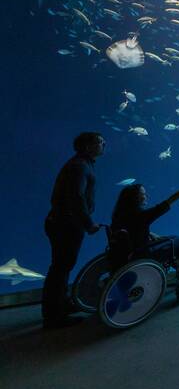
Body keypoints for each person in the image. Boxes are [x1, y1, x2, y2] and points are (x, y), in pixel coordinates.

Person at [42, 132, 105, 329]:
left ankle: (61, 304)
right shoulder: (79, 166)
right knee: (60, 268)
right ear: (87, 147)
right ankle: (54, 316)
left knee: (63, 266)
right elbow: (76, 198)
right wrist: (88, 223)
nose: (104, 144)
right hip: (66, 224)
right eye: (100, 142)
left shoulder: (82, 164)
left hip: (64, 222)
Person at [110, 174, 179, 283]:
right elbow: (171, 200)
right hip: (144, 255)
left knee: (173, 238)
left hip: (130, 255)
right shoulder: (141, 215)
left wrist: (154, 236)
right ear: (136, 198)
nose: (146, 196)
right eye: (143, 194)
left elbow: (135, 231)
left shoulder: (120, 215)